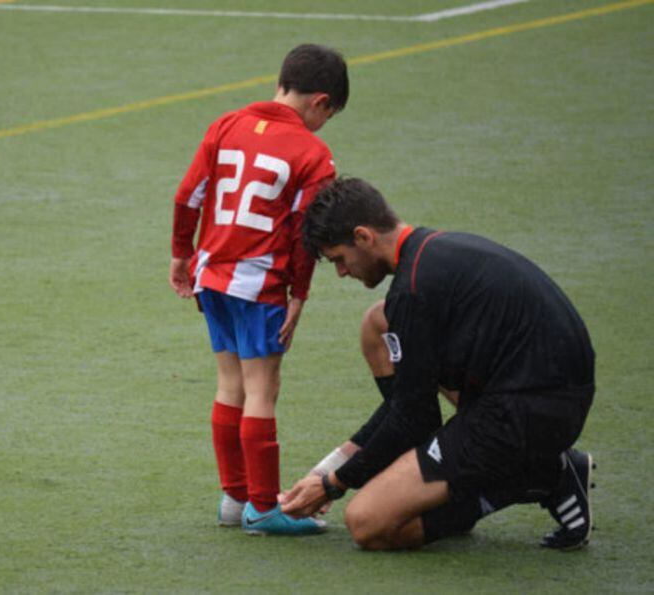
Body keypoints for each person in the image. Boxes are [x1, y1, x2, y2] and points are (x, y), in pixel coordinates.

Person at [279, 177, 596, 551]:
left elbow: (415, 419)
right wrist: (326, 470)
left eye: (339, 260)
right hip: (548, 392)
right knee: (377, 324)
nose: (342, 272)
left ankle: (538, 476)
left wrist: (335, 483)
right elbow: (406, 404)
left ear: (364, 237)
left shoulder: (413, 293)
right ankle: (454, 473)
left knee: (368, 523)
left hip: (526, 413)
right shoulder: (430, 251)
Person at [168, 44, 348, 535]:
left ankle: (234, 498)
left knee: (230, 384)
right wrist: (300, 295)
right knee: (262, 389)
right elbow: (302, 234)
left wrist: (181, 254)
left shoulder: (225, 124)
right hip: (259, 283)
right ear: (321, 101)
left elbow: (189, 195)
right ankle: (264, 508)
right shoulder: (313, 154)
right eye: (327, 116)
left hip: (212, 275)